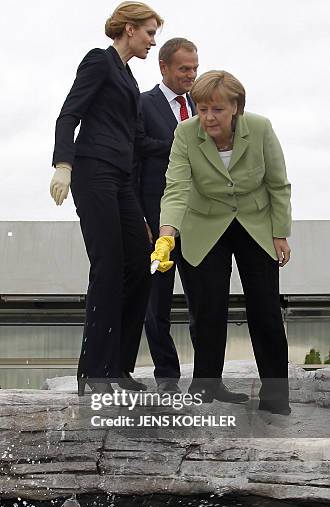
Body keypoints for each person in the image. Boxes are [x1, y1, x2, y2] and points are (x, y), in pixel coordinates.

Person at [152, 70, 292, 414]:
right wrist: (167, 234)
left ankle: (276, 396)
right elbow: (176, 187)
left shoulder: (260, 128)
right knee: (207, 309)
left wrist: (279, 233)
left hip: (254, 222)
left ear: (236, 108)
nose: (208, 117)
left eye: (216, 109)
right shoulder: (185, 133)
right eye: (202, 109)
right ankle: (206, 387)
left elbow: (278, 183)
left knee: (265, 310)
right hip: (204, 223)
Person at [50, 2, 170, 396]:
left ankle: (118, 367)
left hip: (120, 179)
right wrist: (63, 165)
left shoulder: (130, 79)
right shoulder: (99, 61)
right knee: (109, 266)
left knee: (141, 260)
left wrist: (186, 144)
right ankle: (95, 371)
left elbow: (139, 142)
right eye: (150, 32)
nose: (153, 41)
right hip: (92, 170)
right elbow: (69, 114)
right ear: (130, 28)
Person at [138, 37, 198, 394]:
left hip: (200, 220)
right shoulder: (142, 104)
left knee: (202, 301)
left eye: (194, 68)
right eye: (183, 69)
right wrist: (141, 219)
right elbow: (136, 150)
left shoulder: (203, 105)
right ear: (163, 67)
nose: (191, 75)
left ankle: (208, 376)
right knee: (156, 303)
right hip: (157, 219)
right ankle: (167, 376)